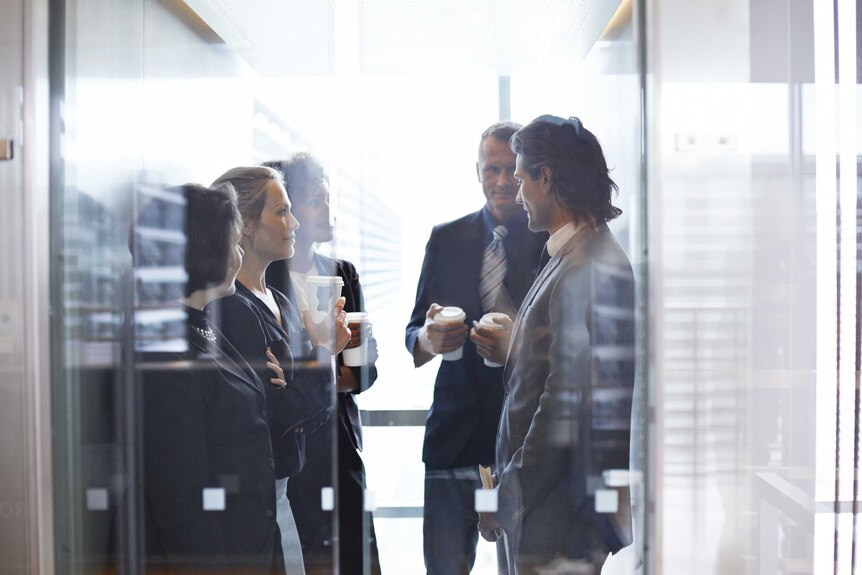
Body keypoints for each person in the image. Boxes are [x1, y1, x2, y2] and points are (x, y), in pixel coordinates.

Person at [479, 115, 635, 574]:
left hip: (556, 513)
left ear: (546, 177)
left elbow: (565, 405)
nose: (517, 191)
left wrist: (507, 494)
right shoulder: (572, 254)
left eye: (523, 176)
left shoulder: (589, 264)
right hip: (546, 505)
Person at [405, 122, 548, 574]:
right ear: (478, 172)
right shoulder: (446, 238)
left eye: (512, 169)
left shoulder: (550, 241)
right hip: (454, 435)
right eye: (492, 169)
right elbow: (414, 333)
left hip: (523, 436)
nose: (503, 181)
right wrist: (429, 339)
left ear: (527, 173)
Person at [209, 166, 351, 574]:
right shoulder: (233, 307)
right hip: (256, 497)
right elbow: (277, 413)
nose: (295, 223)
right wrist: (322, 352)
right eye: (283, 211)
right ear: (247, 225)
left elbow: (308, 407)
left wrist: (304, 376)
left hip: (283, 493)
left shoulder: (279, 301)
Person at [138, 184, 286, 572]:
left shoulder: (202, 326)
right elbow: (180, 496)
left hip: (249, 545)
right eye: (234, 243)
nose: (240, 254)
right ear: (204, 249)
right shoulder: (166, 350)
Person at [264, 153, 382, 574]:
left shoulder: (342, 272)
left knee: (352, 556)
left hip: (338, 443)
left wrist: (311, 370)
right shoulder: (264, 280)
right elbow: (271, 385)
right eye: (316, 200)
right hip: (292, 450)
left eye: (329, 199)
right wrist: (329, 363)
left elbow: (364, 369)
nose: (328, 211)